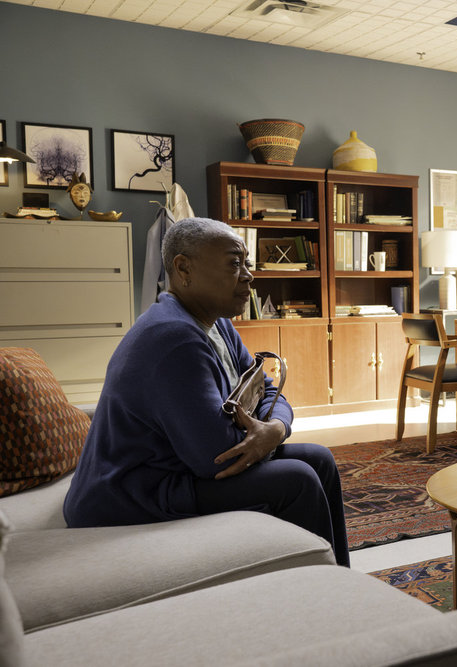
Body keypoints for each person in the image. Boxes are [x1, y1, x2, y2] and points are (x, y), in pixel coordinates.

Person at [64, 217, 350, 566]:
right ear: (183, 269)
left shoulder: (218, 324)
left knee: (320, 459)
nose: (248, 275)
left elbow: (266, 388)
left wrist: (275, 429)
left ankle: (338, 577)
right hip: (131, 493)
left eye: (247, 263)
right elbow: (217, 457)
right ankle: (314, 596)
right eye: (234, 264)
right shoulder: (174, 337)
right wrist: (259, 432)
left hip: (174, 469)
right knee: (297, 479)